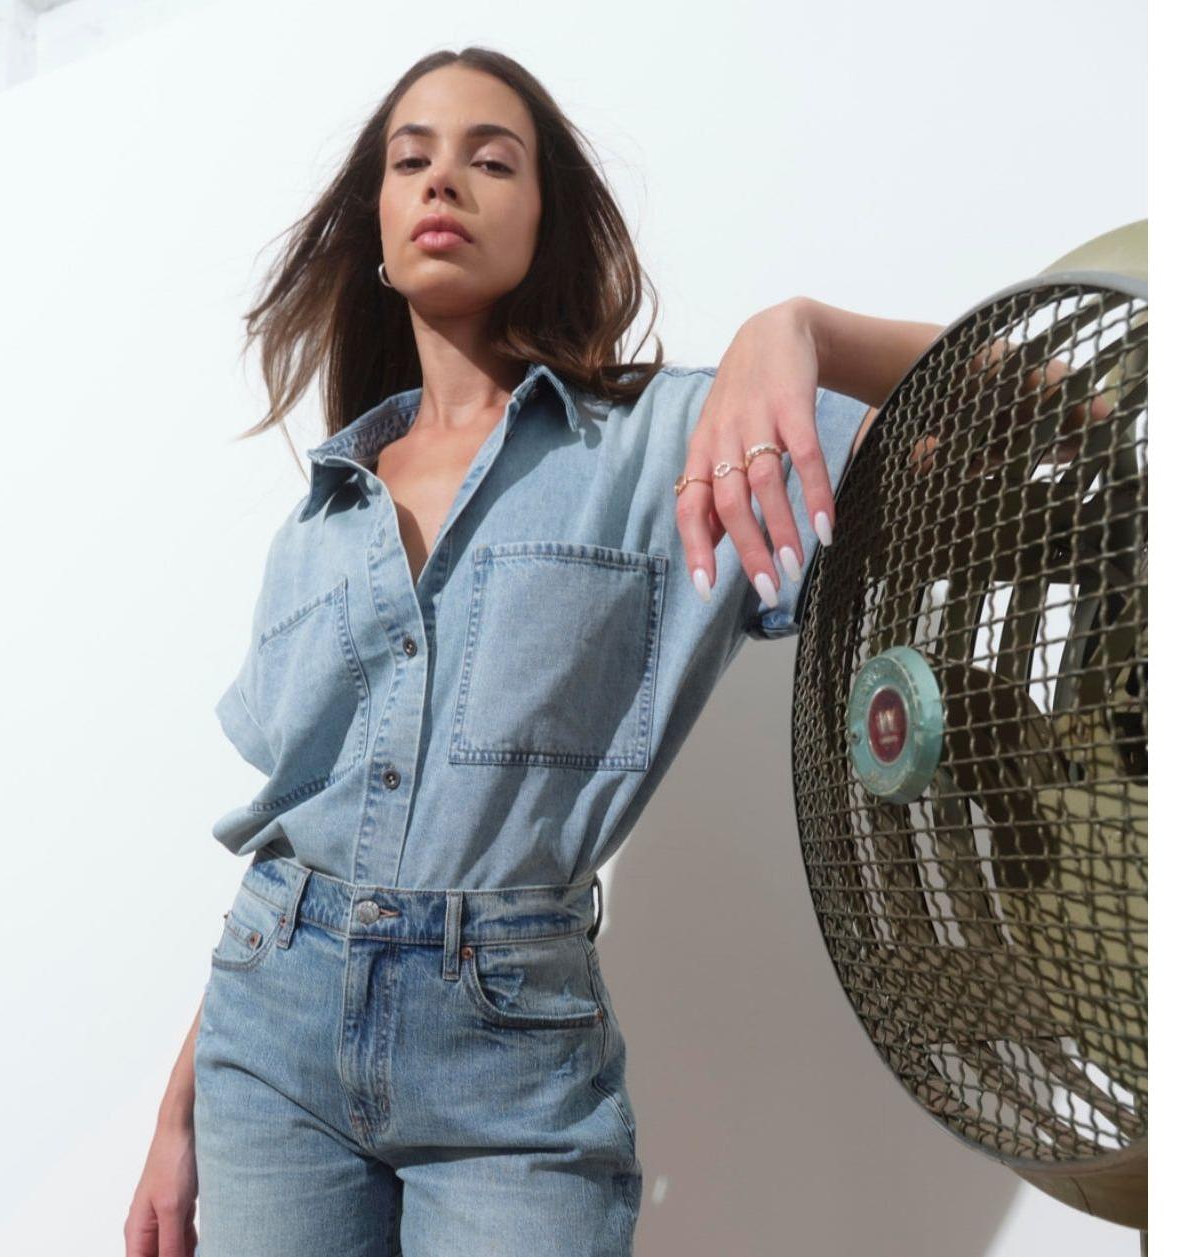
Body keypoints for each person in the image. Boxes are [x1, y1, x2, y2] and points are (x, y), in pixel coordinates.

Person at [124, 45, 934, 1257]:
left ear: (548, 220)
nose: (444, 180)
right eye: (412, 159)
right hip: (269, 1035)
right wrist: (177, 1111)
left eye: (491, 160)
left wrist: (800, 330)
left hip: (512, 1065)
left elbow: (1008, 401)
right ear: (379, 225)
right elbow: (299, 828)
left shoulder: (676, 439)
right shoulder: (323, 516)